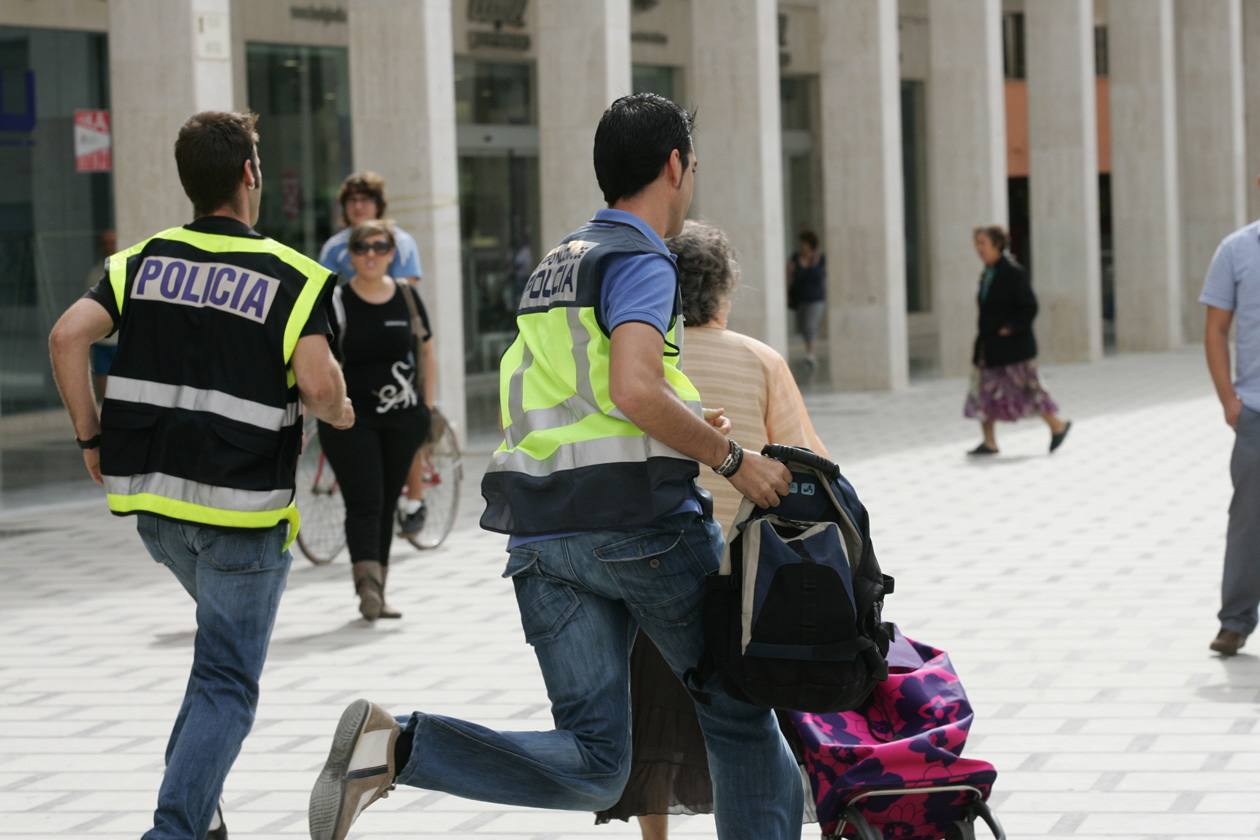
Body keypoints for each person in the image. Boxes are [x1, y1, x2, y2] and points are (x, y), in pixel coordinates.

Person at [307, 93, 803, 840]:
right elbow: (632, 387)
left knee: (599, 762)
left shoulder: (556, 263)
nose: (690, 180)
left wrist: (687, 423)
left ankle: (398, 744)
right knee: (737, 715)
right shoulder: (642, 258)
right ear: (674, 166)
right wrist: (731, 459)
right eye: (691, 166)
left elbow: (581, 391)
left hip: (543, 535)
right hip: (642, 528)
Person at [47, 111, 352, 840]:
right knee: (226, 681)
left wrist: (90, 435)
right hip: (242, 516)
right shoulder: (292, 275)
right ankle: (175, 830)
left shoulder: (139, 262)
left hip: (155, 510)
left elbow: (66, 337)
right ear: (250, 174)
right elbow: (317, 384)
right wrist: (339, 411)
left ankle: (200, 812)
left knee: (214, 660)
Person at [597, 220, 828, 838]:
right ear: (724, 291)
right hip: (747, 580)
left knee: (653, 716)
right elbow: (807, 461)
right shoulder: (760, 360)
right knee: (748, 728)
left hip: (649, 561)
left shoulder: (631, 362)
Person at [319, 219, 434, 621]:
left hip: (403, 419)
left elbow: (426, 353)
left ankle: (378, 588)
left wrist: (428, 409)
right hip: (350, 418)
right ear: (350, 255)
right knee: (365, 499)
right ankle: (367, 582)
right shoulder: (335, 300)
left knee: (386, 501)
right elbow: (319, 356)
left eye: (380, 246)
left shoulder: (407, 297)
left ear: (392, 253)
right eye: (362, 247)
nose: (371, 254)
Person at [318, 171, 429, 534]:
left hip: (397, 347)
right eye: (352, 201)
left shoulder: (401, 241)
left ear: (379, 205)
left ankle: (415, 496)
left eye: (365, 199)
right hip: (354, 346)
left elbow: (406, 293)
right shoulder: (334, 247)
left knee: (406, 419)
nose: (359, 206)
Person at [1202, 211, 1260, 656]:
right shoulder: (1236, 249)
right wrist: (1229, 401)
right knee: (1248, 521)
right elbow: (1216, 329)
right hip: (1256, 412)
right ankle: (1235, 621)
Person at [963, 224, 1071, 456]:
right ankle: (989, 442)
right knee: (983, 392)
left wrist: (1010, 328)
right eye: (977, 243)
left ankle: (1057, 426)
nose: (978, 248)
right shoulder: (987, 273)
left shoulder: (1013, 272)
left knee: (1031, 391)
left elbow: (1029, 307)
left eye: (983, 243)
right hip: (989, 347)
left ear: (997, 244)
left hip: (1013, 349)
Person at [785, 229, 826, 368]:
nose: (802, 246)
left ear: (810, 244)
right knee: (803, 327)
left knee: (810, 326)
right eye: (801, 243)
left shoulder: (819, 258)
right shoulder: (795, 257)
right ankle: (809, 351)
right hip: (801, 298)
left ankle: (811, 354)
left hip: (816, 299)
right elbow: (790, 277)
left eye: (804, 243)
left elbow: (821, 276)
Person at [87, 228, 118, 400]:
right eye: (105, 244)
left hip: (122, 341)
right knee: (104, 392)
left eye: (112, 243)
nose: (109, 247)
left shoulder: (129, 270)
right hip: (101, 341)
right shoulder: (94, 275)